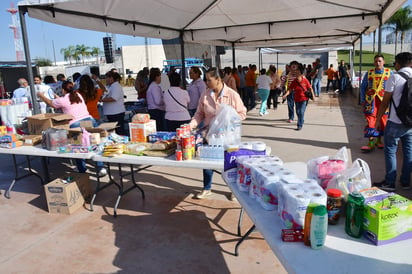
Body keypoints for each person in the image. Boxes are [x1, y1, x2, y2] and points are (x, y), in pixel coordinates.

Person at [189, 67, 246, 199]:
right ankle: (207, 188)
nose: (206, 82)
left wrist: (229, 119)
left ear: (218, 80)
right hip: (210, 136)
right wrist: (190, 125)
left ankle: (234, 190)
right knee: (207, 163)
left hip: (228, 137)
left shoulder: (232, 95)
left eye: (209, 80)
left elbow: (242, 113)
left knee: (230, 164)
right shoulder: (205, 94)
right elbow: (199, 114)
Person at [37, 80, 107, 176]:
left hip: (75, 124)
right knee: (95, 143)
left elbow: (51, 103)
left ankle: (82, 169)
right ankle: (101, 167)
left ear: (63, 90)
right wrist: (57, 97)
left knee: (77, 147)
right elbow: (66, 101)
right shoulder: (78, 95)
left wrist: (41, 95)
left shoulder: (63, 100)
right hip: (89, 120)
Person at [373, 52, 412, 191]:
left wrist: (378, 120)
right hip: (410, 123)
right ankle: (406, 182)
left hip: (395, 121)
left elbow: (384, 102)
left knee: (390, 151)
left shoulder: (394, 77)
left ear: (397, 64)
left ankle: (390, 182)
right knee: (408, 152)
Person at [360, 54, 393, 152]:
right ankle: (370, 142)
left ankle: (379, 141)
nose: (378, 63)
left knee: (383, 121)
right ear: (374, 62)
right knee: (371, 120)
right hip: (371, 101)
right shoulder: (369, 73)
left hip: (384, 101)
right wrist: (362, 100)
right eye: (376, 61)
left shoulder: (389, 72)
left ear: (384, 62)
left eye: (380, 61)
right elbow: (363, 87)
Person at [282, 65, 315, 130]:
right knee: (298, 112)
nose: (296, 74)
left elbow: (310, 88)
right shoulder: (294, 81)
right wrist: (285, 95)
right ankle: (301, 120)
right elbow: (290, 90)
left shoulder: (305, 80)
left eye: (297, 73)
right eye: (295, 73)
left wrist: (313, 96)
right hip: (297, 99)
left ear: (300, 74)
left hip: (304, 99)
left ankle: (299, 125)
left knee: (301, 112)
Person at [101, 71, 126, 135]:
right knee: (114, 132)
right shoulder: (111, 86)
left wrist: (102, 100)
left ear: (112, 78)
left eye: (107, 78)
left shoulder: (116, 86)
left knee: (119, 131)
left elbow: (114, 98)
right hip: (112, 113)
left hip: (116, 113)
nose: (106, 79)